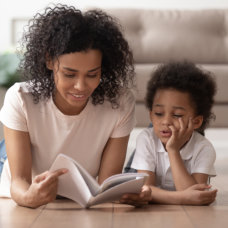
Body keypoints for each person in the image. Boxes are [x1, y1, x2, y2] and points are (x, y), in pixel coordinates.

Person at [0, 4, 136, 208]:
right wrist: (29, 197)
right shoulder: (20, 98)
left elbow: (107, 185)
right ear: (49, 61)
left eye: (92, 74)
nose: (81, 86)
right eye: (69, 74)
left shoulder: (120, 103)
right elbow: (19, 182)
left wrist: (127, 195)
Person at [121, 61, 218, 206]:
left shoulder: (204, 148)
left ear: (196, 122)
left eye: (177, 115)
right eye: (158, 113)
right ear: (151, 114)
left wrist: (173, 150)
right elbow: (146, 190)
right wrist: (181, 198)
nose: (165, 121)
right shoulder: (147, 138)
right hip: (136, 173)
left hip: (189, 144)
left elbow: (196, 195)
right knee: (128, 188)